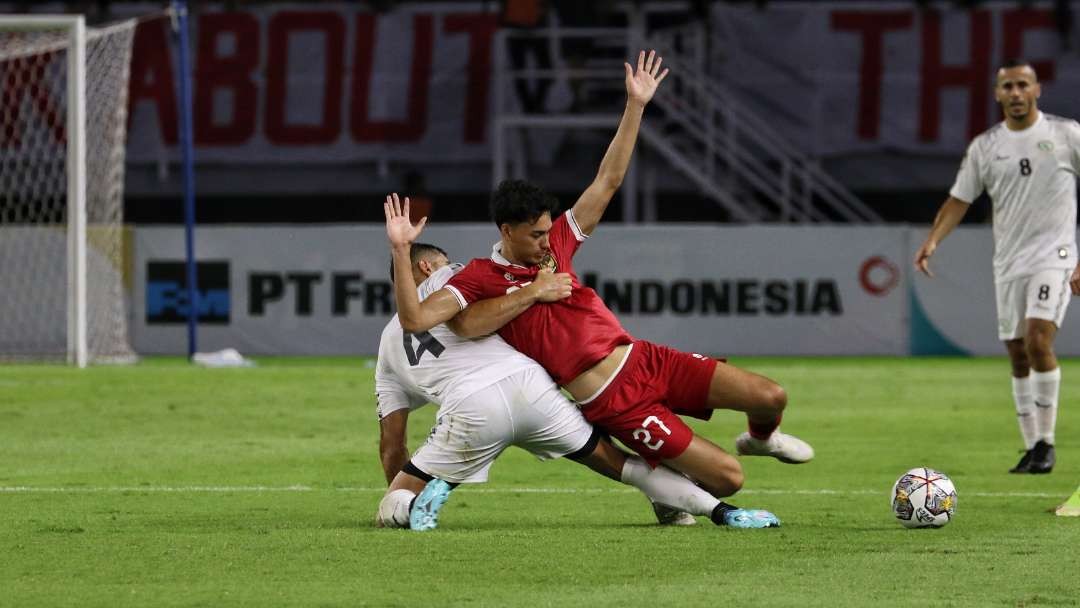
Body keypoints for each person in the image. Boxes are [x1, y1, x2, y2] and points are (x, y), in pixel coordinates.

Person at [384, 50, 814, 509]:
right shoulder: (479, 277)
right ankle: (663, 485)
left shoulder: (559, 242)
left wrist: (636, 106)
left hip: (647, 359)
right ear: (506, 231)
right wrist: (401, 249)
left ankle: (761, 439)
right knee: (729, 480)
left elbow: (607, 181)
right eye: (535, 235)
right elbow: (416, 321)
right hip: (614, 400)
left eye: (549, 230)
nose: (548, 242)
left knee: (771, 395)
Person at [375, 242, 779, 530]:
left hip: (470, 410)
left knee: (396, 499)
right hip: (530, 388)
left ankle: (417, 504)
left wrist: (408, 478)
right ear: (428, 269)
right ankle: (723, 513)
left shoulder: (387, 349)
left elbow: (392, 444)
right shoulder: (460, 279)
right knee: (621, 465)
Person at [914, 59, 1080, 475]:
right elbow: (959, 200)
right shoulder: (986, 147)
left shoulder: (1066, 134)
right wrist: (933, 240)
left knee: (1039, 340)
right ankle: (1031, 447)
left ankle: (1046, 443)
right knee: (1017, 353)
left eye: (1023, 84)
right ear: (997, 94)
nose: (1016, 93)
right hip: (1008, 262)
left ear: (1037, 90)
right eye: (1007, 86)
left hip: (1055, 257)